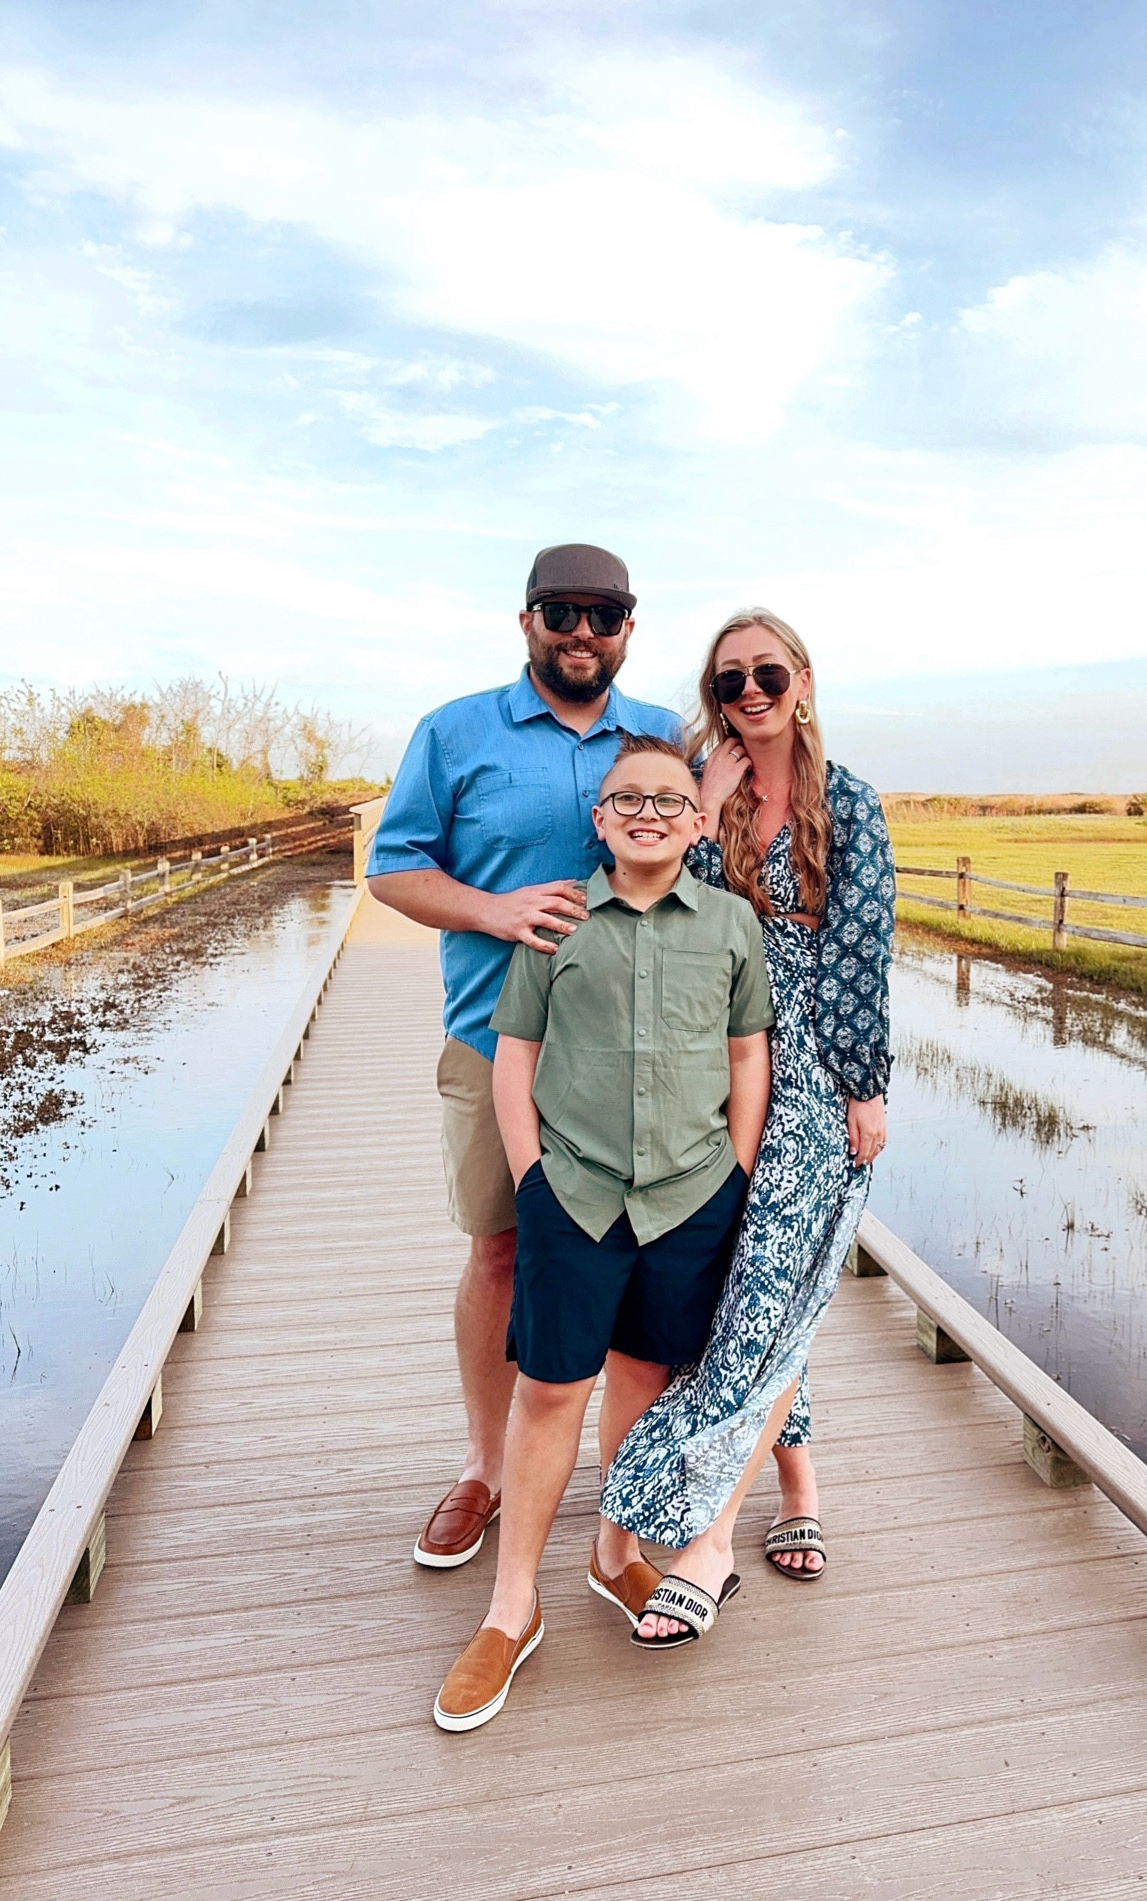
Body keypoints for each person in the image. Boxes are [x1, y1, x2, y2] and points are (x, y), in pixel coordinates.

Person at [432, 735, 774, 1730]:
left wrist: (738, 1176)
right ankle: (510, 1607)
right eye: (629, 798)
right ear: (600, 816)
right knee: (549, 1390)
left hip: (689, 1193)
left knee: (642, 1379)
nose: (649, 814)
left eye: (671, 800)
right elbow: (513, 1057)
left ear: (698, 820)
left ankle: (615, 1551)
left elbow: (745, 1052)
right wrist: (533, 1177)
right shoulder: (555, 920)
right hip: (574, 1193)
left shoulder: (729, 926)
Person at [365, 545, 680, 1573]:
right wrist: (492, 910)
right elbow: (395, 868)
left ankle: (624, 1495)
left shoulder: (665, 736)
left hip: (639, 1058)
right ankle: (485, 1468)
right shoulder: (454, 730)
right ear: (527, 620)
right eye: (561, 611)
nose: (581, 631)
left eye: (604, 613)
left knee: (640, 1262)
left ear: (629, 627)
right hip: (490, 1040)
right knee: (499, 1251)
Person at [600, 608, 894, 1645]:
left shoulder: (847, 800)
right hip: (712, 1044)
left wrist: (863, 1084)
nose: (751, 691)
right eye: (729, 679)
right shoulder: (694, 781)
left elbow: (863, 950)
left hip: (811, 1057)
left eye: (768, 672)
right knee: (742, 1275)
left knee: (780, 1267)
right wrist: (704, 803)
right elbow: (646, 900)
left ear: (804, 679)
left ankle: (707, 1537)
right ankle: (798, 1477)